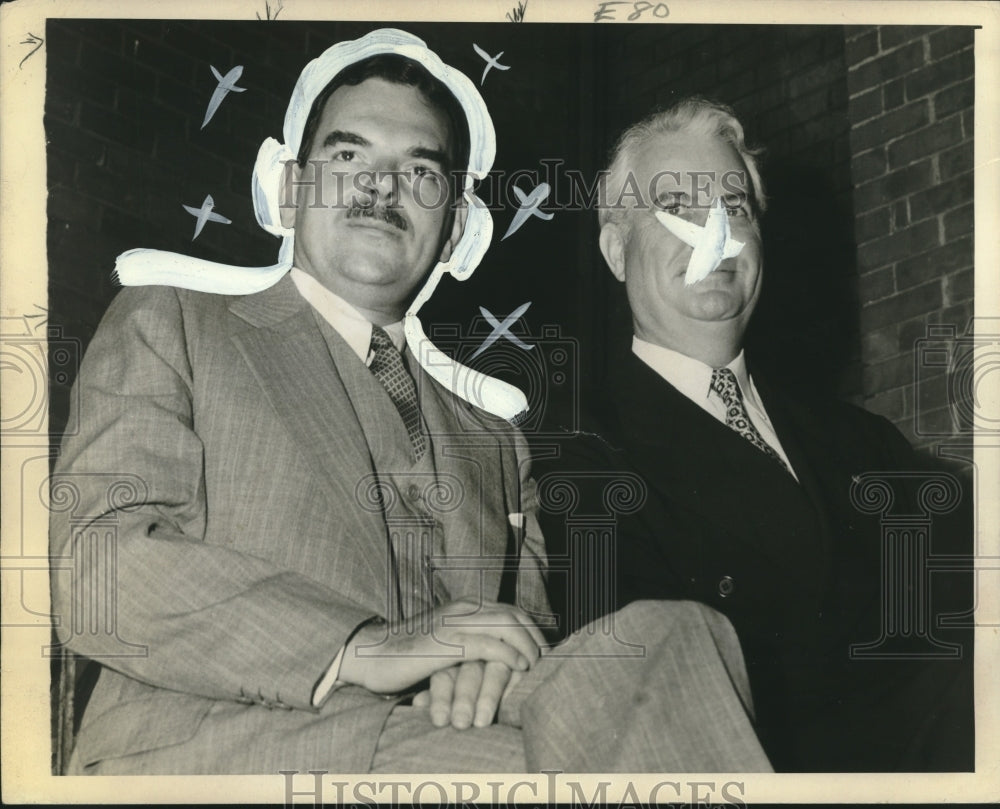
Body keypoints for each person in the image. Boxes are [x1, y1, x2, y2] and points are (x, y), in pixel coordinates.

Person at [49, 32, 772, 774]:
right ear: (291, 189)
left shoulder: (496, 440)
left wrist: (489, 664)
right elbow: (94, 567)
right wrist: (360, 643)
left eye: (419, 171)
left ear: (454, 225)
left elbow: (526, 648)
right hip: (212, 751)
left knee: (679, 637)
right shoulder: (172, 321)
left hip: (447, 742)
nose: (381, 186)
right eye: (348, 155)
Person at [536, 97, 974, 772]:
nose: (716, 234)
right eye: (678, 206)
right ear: (616, 249)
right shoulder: (573, 455)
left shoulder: (861, 440)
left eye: (735, 208)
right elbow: (652, 697)